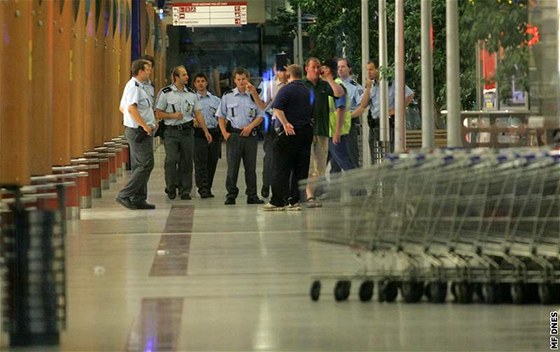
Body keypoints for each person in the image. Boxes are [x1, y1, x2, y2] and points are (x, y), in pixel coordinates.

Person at [155, 66, 212, 200]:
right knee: (171, 160)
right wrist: (173, 116)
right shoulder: (165, 93)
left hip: (187, 131)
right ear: (176, 77)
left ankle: (185, 190)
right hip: (171, 132)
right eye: (184, 75)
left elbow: (198, 113)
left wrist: (206, 131)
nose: (187, 77)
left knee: (186, 161)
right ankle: (171, 186)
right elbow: (158, 113)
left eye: (187, 74)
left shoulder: (191, 94)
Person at [262, 64, 314, 211]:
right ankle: (295, 200)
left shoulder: (286, 89)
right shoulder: (307, 90)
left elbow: (277, 107)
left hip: (289, 133)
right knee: (300, 168)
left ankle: (278, 200)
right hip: (305, 132)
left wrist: (285, 123)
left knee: (281, 167)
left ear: (288, 75)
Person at [217, 67, 265, 205]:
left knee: (251, 167)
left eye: (243, 79)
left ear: (248, 79)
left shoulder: (254, 95)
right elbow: (221, 116)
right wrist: (225, 133)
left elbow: (261, 115)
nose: (241, 82)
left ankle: (252, 195)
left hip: (250, 136)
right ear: (234, 81)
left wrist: (250, 127)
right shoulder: (227, 96)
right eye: (238, 79)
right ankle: (231, 194)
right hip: (234, 135)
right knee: (232, 167)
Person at [302, 57, 345, 208]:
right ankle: (308, 195)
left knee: (319, 166)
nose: (315, 70)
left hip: (321, 129)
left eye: (318, 67)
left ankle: (310, 193)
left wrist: (329, 78)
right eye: (313, 67)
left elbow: (339, 93)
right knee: (306, 164)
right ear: (306, 68)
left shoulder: (324, 85)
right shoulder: (301, 85)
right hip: (305, 131)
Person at [116, 59, 157, 210]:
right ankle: (125, 194)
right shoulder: (133, 87)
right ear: (140, 71)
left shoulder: (140, 87)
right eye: (147, 69)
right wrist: (144, 125)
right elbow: (131, 109)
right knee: (146, 164)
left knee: (139, 165)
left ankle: (139, 198)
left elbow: (122, 108)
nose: (149, 72)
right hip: (138, 131)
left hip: (139, 129)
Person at [354, 60, 414, 162]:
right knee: (375, 158)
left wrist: (397, 109)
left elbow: (410, 95)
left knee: (390, 155)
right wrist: (368, 88)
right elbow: (363, 104)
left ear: (378, 69)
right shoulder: (371, 85)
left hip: (389, 123)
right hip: (375, 124)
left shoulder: (391, 82)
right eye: (367, 70)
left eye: (371, 69)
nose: (369, 72)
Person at [257, 66, 288, 199]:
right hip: (272, 121)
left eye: (284, 69)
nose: (281, 72)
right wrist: (254, 92)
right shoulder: (269, 85)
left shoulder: (292, 84)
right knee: (269, 156)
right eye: (278, 69)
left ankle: (284, 188)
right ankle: (266, 184)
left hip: (289, 121)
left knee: (286, 157)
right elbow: (262, 105)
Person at [322, 59, 355, 173]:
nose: (321, 70)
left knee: (345, 162)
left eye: (324, 67)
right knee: (326, 165)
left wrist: (337, 132)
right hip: (329, 132)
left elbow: (340, 109)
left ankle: (358, 188)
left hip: (336, 132)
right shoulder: (328, 85)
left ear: (329, 70)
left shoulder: (337, 86)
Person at [192, 73, 222, 198]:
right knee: (200, 163)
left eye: (202, 81)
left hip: (214, 133)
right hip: (198, 134)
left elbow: (221, 116)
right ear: (194, 84)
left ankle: (208, 187)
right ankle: (202, 188)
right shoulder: (192, 99)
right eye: (198, 81)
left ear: (206, 83)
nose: (200, 83)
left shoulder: (216, 100)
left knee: (212, 162)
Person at [337, 58, 365, 168]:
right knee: (336, 161)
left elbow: (362, 106)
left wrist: (348, 117)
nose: (340, 69)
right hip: (335, 125)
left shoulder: (355, 86)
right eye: (338, 67)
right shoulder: (334, 83)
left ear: (349, 69)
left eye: (343, 66)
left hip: (349, 125)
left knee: (352, 157)